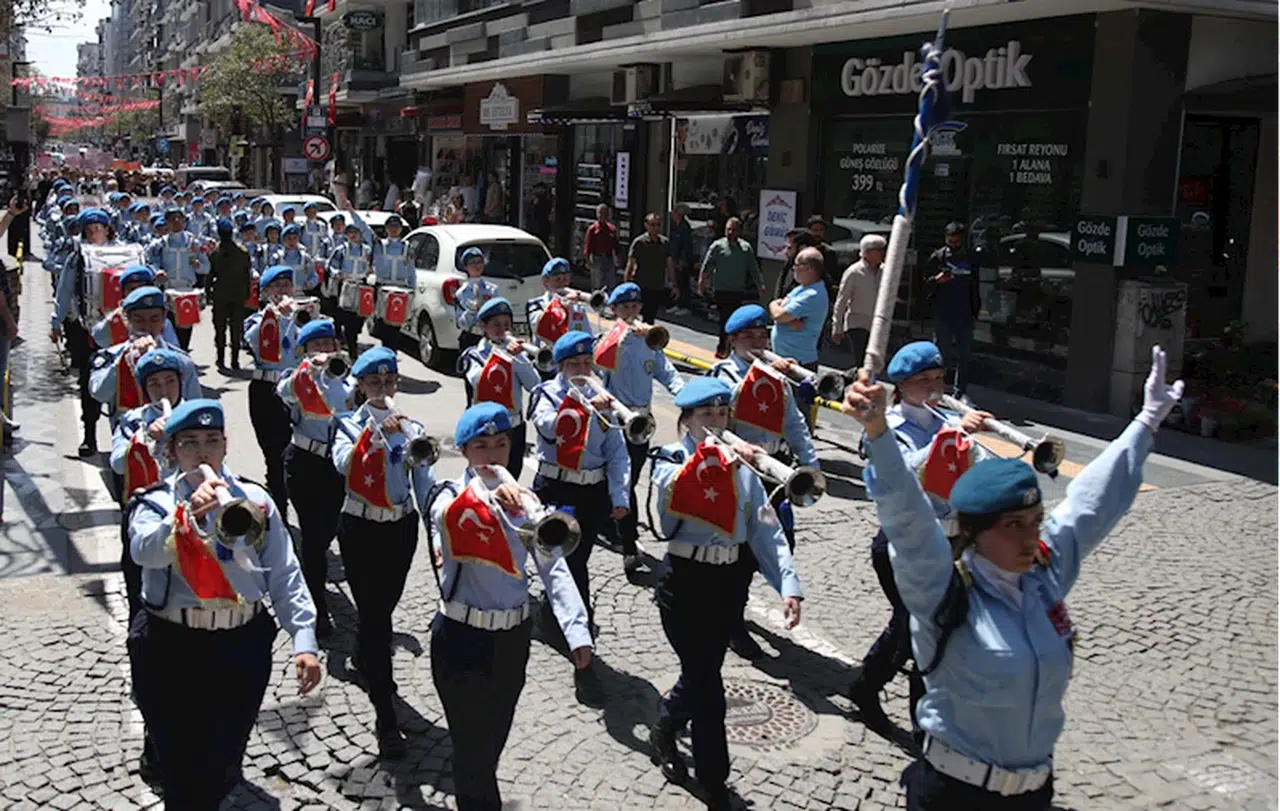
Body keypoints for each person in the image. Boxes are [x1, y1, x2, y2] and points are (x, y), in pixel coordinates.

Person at [843, 346, 1183, 810]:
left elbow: (1089, 505)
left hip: (1033, 794)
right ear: (977, 534)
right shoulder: (943, 589)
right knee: (903, 631)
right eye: (1013, 527)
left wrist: (1145, 423)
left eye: (1036, 522)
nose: (1030, 540)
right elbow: (907, 515)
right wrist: (879, 431)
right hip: (953, 795)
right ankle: (869, 686)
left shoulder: (1041, 574)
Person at [126, 398, 321, 808]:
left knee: (224, 757)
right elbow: (144, 551)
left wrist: (304, 641)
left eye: (212, 441)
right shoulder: (154, 503)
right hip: (171, 644)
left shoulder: (256, 500)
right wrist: (186, 518)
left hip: (240, 642)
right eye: (190, 443)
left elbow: (284, 572)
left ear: (225, 446)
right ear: (173, 450)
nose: (202, 452)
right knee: (180, 767)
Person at [426, 402, 593, 810]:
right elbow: (447, 521)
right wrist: (488, 498)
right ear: (464, 452)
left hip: (512, 636)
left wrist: (576, 631)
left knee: (492, 738)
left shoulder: (524, 500)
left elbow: (554, 568)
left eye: (501, 444)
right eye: (481, 446)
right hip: (461, 637)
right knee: (472, 748)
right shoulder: (448, 496)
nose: (493, 455)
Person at [647, 377, 802, 811]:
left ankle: (666, 723)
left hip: (726, 584)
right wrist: (711, 459)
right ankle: (716, 782)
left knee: (703, 672)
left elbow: (764, 529)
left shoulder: (742, 469)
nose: (716, 422)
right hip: (684, 582)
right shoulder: (671, 460)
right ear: (687, 421)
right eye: (706, 415)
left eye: (722, 413)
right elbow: (665, 510)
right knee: (709, 686)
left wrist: (787, 584)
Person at [847, 341, 992, 736]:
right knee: (914, 625)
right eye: (923, 381)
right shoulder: (886, 425)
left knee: (930, 627)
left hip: (951, 540)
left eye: (939, 378)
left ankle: (896, 701)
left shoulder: (947, 418)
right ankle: (900, 710)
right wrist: (948, 440)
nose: (934, 388)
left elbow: (976, 471)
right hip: (903, 541)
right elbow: (900, 473)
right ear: (902, 386)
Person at [331, 347, 436, 758]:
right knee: (376, 617)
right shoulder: (345, 425)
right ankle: (385, 716)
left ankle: (365, 650)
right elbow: (344, 463)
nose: (383, 389)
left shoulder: (413, 426)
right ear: (359, 386)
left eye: (389, 382)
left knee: (383, 609)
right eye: (374, 383)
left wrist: (434, 529)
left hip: (400, 525)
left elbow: (423, 481)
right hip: (359, 527)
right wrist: (377, 434)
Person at [709, 304, 817, 660]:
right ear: (734, 341)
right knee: (741, 551)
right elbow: (718, 421)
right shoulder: (725, 374)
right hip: (741, 469)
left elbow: (795, 424)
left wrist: (811, 466)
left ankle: (739, 601)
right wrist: (758, 374)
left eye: (762, 336)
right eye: (750, 337)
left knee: (781, 539)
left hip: (777, 470)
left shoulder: (777, 377)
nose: (758, 342)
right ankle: (732, 624)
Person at [528, 331, 628, 704]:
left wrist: (619, 496)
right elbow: (552, 429)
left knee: (576, 561)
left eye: (588, 363)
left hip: (592, 493)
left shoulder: (604, 398)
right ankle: (584, 663)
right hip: (557, 489)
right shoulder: (548, 395)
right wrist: (581, 401)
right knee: (570, 568)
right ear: (560, 366)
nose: (583, 370)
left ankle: (554, 616)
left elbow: (618, 453)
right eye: (574, 365)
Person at [595, 283, 684, 573]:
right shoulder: (608, 339)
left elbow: (664, 371)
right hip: (616, 419)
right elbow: (598, 363)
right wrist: (621, 337)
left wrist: (681, 394)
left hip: (641, 419)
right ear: (615, 311)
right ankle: (629, 543)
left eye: (635, 307)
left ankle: (615, 522)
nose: (632, 313)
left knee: (630, 478)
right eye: (625, 308)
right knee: (620, 479)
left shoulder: (651, 341)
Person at [277, 319, 355, 643]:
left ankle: (313, 570)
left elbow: (344, 405)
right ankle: (317, 608)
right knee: (312, 535)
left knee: (329, 531)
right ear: (304, 350)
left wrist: (331, 373)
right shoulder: (295, 378)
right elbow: (284, 392)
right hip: (305, 462)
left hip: (335, 465)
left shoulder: (346, 379)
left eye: (328, 344)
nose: (324, 351)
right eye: (316, 346)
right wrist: (308, 370)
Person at [108, 348, 187, 624]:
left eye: (169, 381)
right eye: (154, 384)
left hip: (187, 512)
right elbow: (118, 464)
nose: (163, 390)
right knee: (139, 595)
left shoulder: (196, 414)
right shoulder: (132, 421)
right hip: (145, 515)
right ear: (143, 388)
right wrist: (145, 436)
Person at [243, 266, 306, 523]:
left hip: (298, 391)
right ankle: (279, 514)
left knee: (300, 456)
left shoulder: (301, 317)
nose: (283, 291)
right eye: (276, 286)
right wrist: (277, 316)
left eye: (286, 285)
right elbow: (254, 342)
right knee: (275, 456)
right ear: (265, 293)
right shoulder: (257, 320)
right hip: (267, 392)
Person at [50, 208, 114, 456]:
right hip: (87, 328)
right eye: (89, 231)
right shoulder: (77, 258)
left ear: (108, 229)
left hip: (119, 328)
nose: (94, 234)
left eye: (98, 229)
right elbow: (64, 289)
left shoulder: (125, 251)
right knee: (89, 382)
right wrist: (56, 321)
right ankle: (89, 435)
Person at [458, 297, 540, 478]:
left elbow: (534, 384)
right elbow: (481, 381)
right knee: (484, 479)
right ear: (483, 327)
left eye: (506, 324)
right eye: (496, 324)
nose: (502, 330)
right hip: (485, 430)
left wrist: (521, 358)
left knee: (511, 479)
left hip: (514, 427)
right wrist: (504, 356)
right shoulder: (473, 355)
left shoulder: (517, 355)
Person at [768, 246, 830, 427]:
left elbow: (779, 314)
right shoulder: (800, 289)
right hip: (783, 359)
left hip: (799, 364)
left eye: (797, 265)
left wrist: (781, 315)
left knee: (798, 416)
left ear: (809, 268)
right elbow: (777, 305)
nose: (793, 269)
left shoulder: (813, 294)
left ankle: (799, 452)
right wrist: (778, 309)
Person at [926, 222, 981, 398]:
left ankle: (960, 391)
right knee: (941, 353)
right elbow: (923, 283)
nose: (953, 245)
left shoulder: (970, 258)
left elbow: (976, 285)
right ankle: (935, 388)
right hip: (944, 313)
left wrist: (975, 310)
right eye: (950, 241)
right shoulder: (938, 257)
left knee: (965, 355)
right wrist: (936, 280)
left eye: (956, 242)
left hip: (965, 313)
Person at [699, 218, 764, 358]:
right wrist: (702, 282)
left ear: (739, 231)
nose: (730, 232)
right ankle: (723, 347)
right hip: (721, 289)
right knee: (724, 319)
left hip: (737, 290)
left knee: (735, 319)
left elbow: (753, 268)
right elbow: (707, 265)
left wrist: (759, 285)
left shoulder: (745, 248)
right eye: (728, 229)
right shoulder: (718, 246)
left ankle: (731, 346)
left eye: (733, 230)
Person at [146, 208, 210, 351]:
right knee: (169, 327)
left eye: (179, 218)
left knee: (186, 329)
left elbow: (206, 267)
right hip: (168, 289)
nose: (176, 221)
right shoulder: (160, 244)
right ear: (166, 222)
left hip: (187, 289)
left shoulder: (194, 243)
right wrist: (157, 272)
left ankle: (183, 354)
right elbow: (151, 262)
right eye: (172, 218)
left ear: (184, 220)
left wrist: (198, 266)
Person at [91, 265, 180, 352]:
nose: (138, 292)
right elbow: (97, 339)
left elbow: (174, 352)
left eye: (142, 287)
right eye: (132, 289)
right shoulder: (115, 319)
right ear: (123, 293)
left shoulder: (163, 322)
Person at [526, 258, 593, 372]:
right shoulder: (536, 305)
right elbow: (539, 325)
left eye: (565, 279)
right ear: (545, 281)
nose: (562, 284)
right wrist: (561, 305)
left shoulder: (577, 306)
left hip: (571, 364)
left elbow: (586, 335)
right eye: (557, 280)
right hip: (547, 364)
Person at [831, 234, 887, 364]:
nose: (883, 253)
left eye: (883, 249)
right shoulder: (853, 272)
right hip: (858, 323)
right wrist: (837, 327)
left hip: (878, 324)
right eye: (878, 250)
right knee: (861, 361)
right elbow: (842, 301)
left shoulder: (885, 271)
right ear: (867, 252)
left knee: (875, 362)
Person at [206, 218, 252, 371]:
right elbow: (247, 275)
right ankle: (235, 360)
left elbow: (210, 275)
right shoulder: (242, 252)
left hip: (221, 295)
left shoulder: (215, 253)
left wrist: (208, 293)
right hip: (237, 295)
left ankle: (221, 358)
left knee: (220, 329)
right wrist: (246, 293)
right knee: (236, 328)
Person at [326, 221, 373, 357]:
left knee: (360, 318)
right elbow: (332, 265)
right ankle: (352, 349)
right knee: (347, 319)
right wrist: (336, 274)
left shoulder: (367, 250)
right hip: (345, 285)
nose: (353, 235)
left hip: (362, 286)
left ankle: (353, 336)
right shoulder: (341, 250)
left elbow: (373, 266)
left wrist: (371, 274)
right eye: (350, 232)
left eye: (356, 233)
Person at [624, 213, 677, 324]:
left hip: (656, 286)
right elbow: (630, 264)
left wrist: (674, 284)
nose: (655, 228)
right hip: (640, 286)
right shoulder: (639, 242)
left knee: (650, 318)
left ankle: (645, 340)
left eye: (658, 225)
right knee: (633, 316)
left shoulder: (664, 243)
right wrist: (626, 285)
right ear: (646, 225)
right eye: (652, 225)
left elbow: (670, 264)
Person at [453, 246, 499, 362]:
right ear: (466, 267)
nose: (477, 266)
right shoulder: (461, 293)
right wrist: (472, 311)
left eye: (479, 262)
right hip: (471, 337)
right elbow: (461, 323)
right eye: (473, 263)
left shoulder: (492, 289)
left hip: (490, 336)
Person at [267, 223, 319, 297]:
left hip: (300, 294)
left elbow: (313, 275)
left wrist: (311, 283)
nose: (292, 241)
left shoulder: (305, 258)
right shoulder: (277, 257)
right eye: (289, 238)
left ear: (298, 239)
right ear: (283, 240)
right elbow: (267, 275)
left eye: (295, 238)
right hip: (281, 296)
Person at [772, 229, 820, 300]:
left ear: (802, 248)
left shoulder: (815, 272)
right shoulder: (788, 264)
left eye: (790, 248)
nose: (786, 252)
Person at [583, 204, 618, 292]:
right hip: (597, 258)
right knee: (597, 283)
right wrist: (588, 260)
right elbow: (588, 246)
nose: (603, 215)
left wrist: (618, 258)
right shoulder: (592, 229)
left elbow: (616, 245)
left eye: (605, 213)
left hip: (609, 258)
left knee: (611, 282)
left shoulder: (612, 228)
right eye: (600, 213)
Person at [667, 204, 695, 316]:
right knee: (677, 281)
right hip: (675, 257)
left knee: (684, 282)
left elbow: (686, 245)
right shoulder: (675, 226)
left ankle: (685, 305)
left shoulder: (685, 227)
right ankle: (678, 303)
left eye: (674, 212)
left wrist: (682, 260)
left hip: (682, 259)